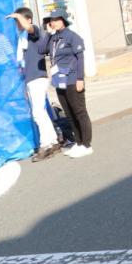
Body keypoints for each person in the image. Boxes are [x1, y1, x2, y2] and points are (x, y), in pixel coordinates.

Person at [8, 7, 61, 161]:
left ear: (27, 20)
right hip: (30, 79)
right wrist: (24, 84)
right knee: (40, 112)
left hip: (38, 77)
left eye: (18, 21)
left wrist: (18, 15)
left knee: (38, 113)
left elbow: (28, 27)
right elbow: (22, 64)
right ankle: (52, 141)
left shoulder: (33, 32)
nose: (17, 24)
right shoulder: (22, 39)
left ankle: (46, 145)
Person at [42, 13, 93, 157]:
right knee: (69, 114)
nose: (54, 22)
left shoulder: (72, 36)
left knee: (79, 112)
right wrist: (47, 33)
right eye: (52, 20)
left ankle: (87, 144)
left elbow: (80, 58)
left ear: (63, 21)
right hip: (60, 81)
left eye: (57, 20)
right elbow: (41, 50)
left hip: (72, 79)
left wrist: (80, 79)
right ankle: (78, 142)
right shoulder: (53, 38)